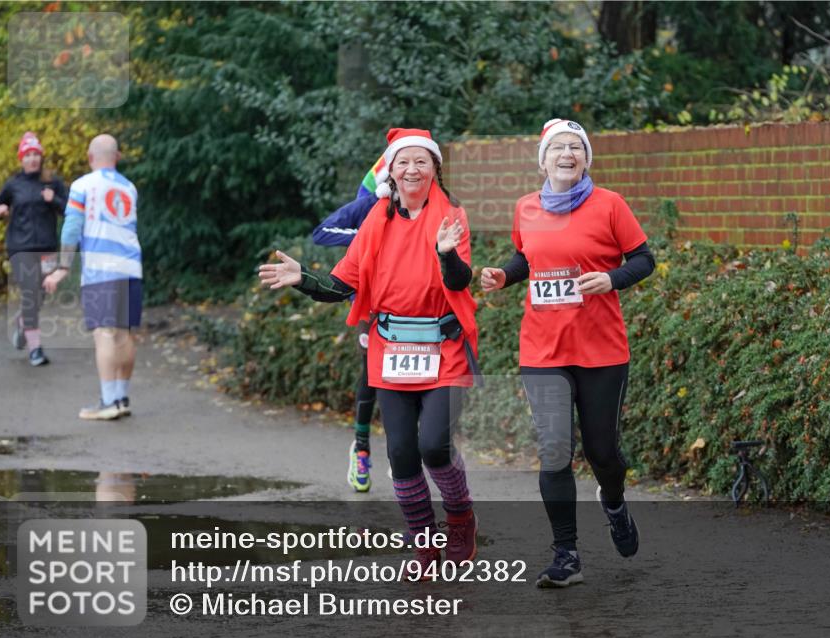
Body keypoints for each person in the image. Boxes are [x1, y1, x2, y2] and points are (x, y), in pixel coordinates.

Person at [260, 128, 480, 575]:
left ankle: (460, 519)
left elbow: (459, 281)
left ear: (435, 168)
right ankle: (424, 545)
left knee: (434, 446)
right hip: (390, 352)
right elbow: (342, 284)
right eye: (403, 162)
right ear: (390, 171)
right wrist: (304, 278)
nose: (412, 169)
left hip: (443, 350)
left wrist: (446, 253)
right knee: (401, 454)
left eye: (421, 161)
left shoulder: (451, 216)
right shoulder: (376, 220)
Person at [481, 119, 655, 588]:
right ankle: (566, 555)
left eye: (576, 147)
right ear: (543, 161)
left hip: (601, 350)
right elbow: (526, 257)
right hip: (543, 351)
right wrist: (505, 275)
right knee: (555, 451)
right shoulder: (526, 207)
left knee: (603, 452)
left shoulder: (610, 204)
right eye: (557, 147)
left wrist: (611, 279)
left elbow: (644, 260)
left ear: (585, 159)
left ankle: (614, 503)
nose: (567, 154)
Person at [43, 134, 142, 421]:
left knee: (104, 333)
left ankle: (108, 402)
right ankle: (121, 398)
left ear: (89, 157)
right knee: (124, 333)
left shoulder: (83, 185)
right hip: (131, 266)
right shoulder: (130, 188)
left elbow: (72, 227)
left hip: (101, 269)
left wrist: (63, 267)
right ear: (117, 157)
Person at [310, 156, 382, 492]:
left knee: (412, 375)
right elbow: (322, 233)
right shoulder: (369, 203)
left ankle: (406, 450)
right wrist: (366, 238)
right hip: (368, 301)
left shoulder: (428, 206)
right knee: (372, 371)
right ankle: (361, 448)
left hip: (411, 304)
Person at [0, 132, 68, 366]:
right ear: (21, 159)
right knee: (29, 292)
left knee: (41, 293)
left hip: (47, 247)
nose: (32, 159)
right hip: (20, 247)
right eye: (28, 155)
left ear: (41, 157)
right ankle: (35, 349)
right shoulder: (13, 184)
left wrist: (54, 199)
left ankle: (23, 322)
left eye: (36, 154)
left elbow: (69, 210)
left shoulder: (53, 182)